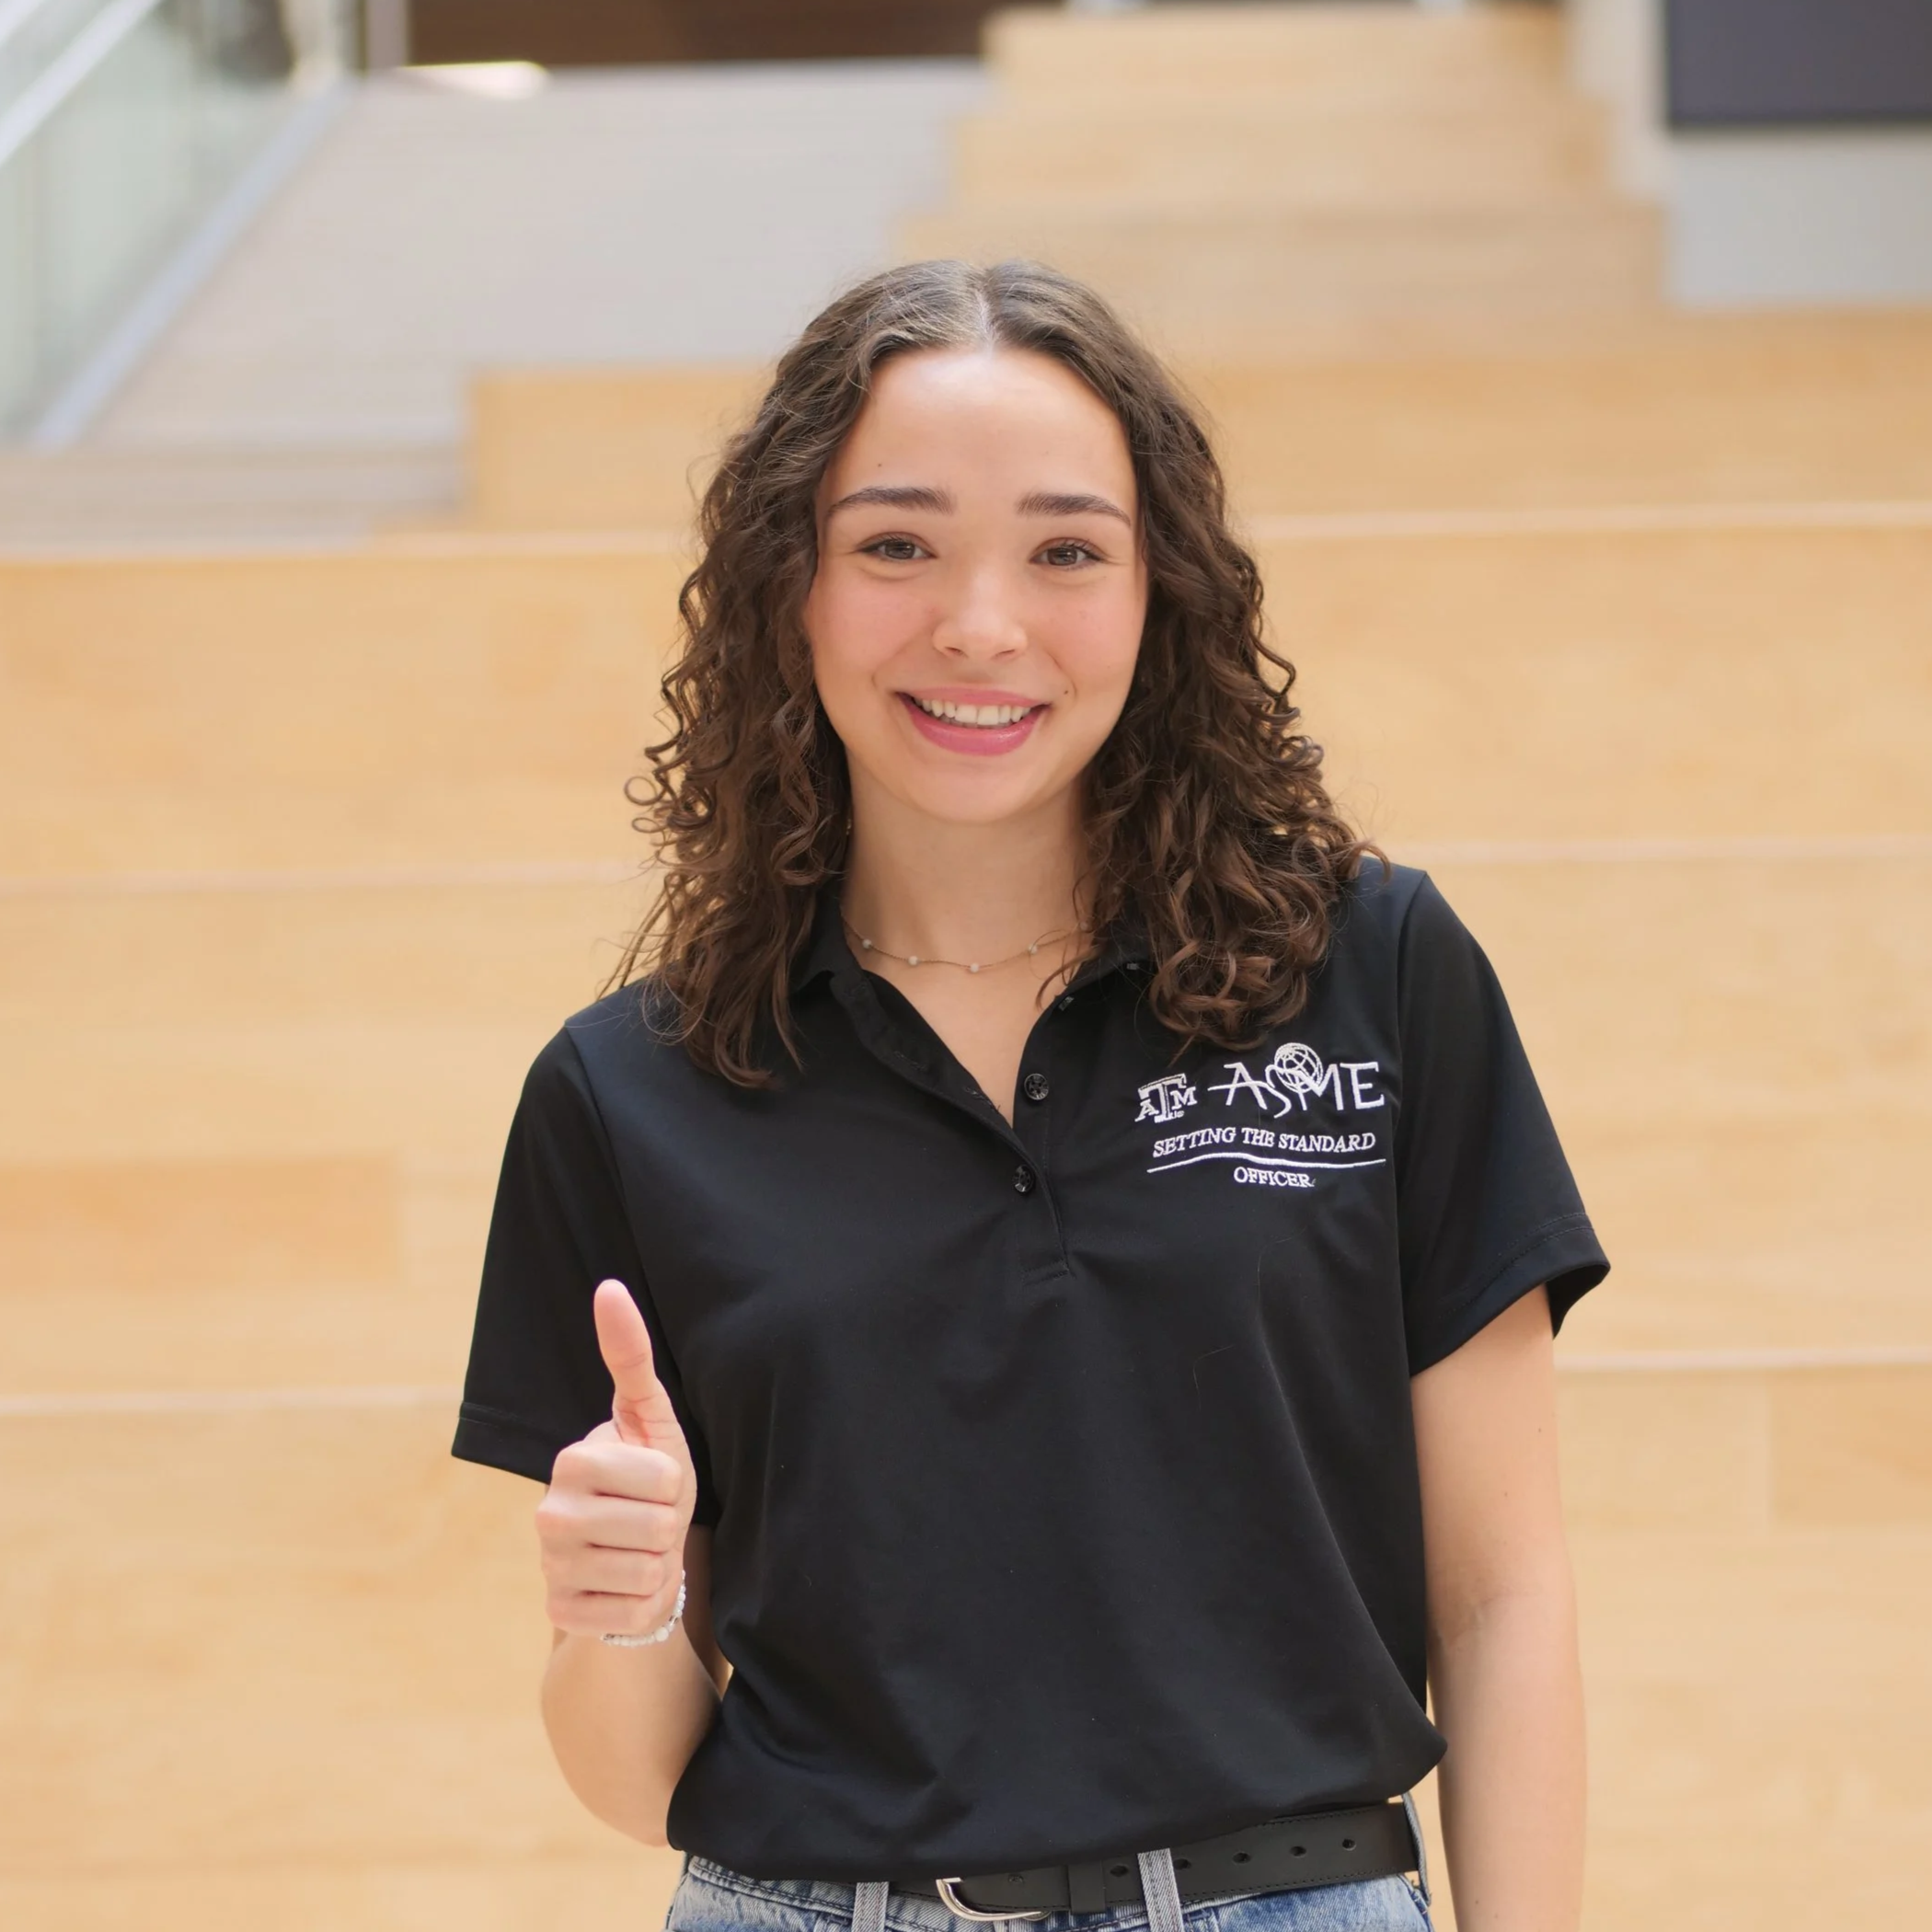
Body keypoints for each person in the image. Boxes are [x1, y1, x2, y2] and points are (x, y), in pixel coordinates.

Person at [453, 259, 1607, 1932]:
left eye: (1067, 549)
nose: (980, 624)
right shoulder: (629, 1091)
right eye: (896, 546)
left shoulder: (1375, 972)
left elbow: (1503, 1598)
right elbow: (641, 1783)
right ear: (793, 588)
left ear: (1161, 595)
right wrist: (615, 1612)